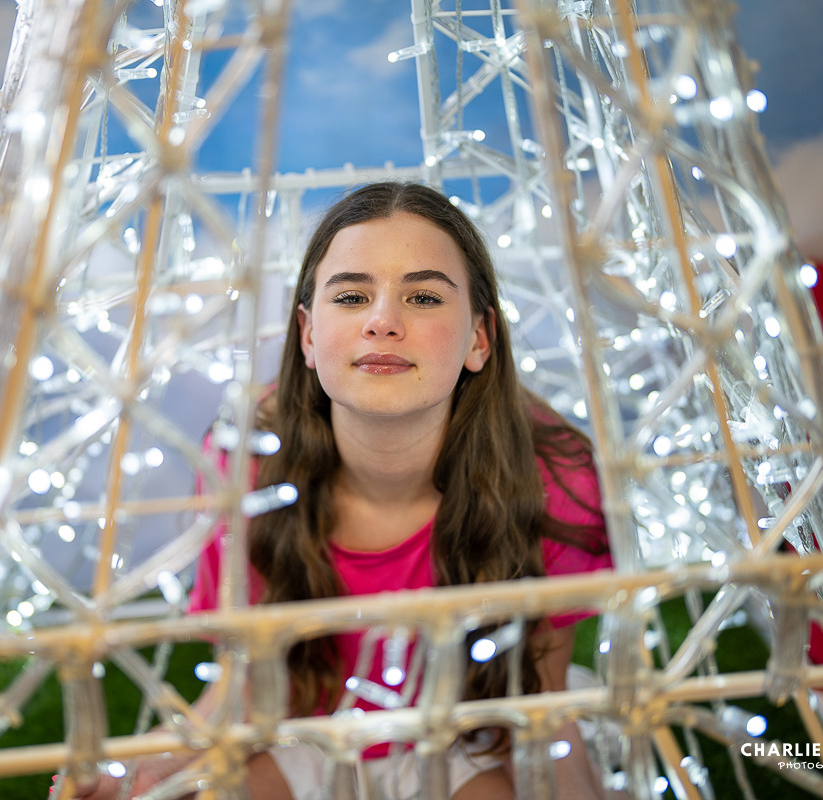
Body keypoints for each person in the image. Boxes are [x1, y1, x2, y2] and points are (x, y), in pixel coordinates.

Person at [72, 182, 612, 799]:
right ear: (307, 334)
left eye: (425, 296)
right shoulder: (249, 464)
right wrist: (143, 773)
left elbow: (538, 695)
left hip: (472, 731)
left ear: (478, 339)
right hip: (309, 730)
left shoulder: (554, 475)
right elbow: (245, 683)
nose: (383, 321)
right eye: (352, 296)